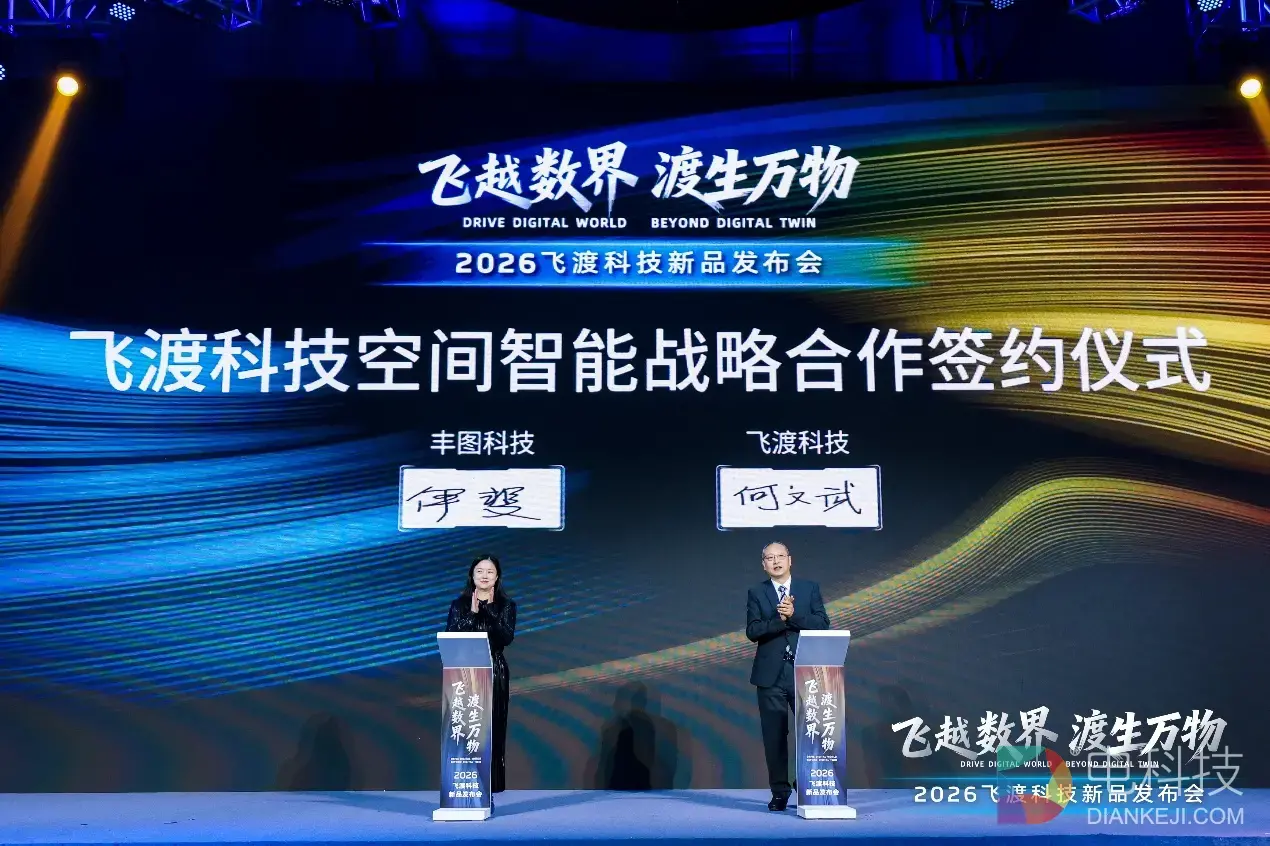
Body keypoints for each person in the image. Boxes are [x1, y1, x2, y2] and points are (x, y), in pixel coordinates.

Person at [745, 542, 830, 811]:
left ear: (790, 560)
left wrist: (793, 616)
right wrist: (779, 620)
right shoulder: (757, 592)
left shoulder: (809, 588)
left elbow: (822, 624)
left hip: (805, 672)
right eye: (769, 558)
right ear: (764, 564)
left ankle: (806, 784)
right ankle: (779, 791)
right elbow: (752, 631)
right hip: (770, 676)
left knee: (812, 734)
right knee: (774, 736)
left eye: (780, 556)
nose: (776, 561)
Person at [445, 554, 517, 799]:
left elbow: (506, 637)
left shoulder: (506, 605)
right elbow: (451, 635)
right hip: (464, 671)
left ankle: (490, 787)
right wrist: (472, 614)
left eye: (490, 571)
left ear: (497, 577)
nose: (484, 575)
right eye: (480, 571)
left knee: (491, 728)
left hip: (494, 670)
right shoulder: (459, 605)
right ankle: (464, 785)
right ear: (472, 575)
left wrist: (487, 610)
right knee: (466, 729)